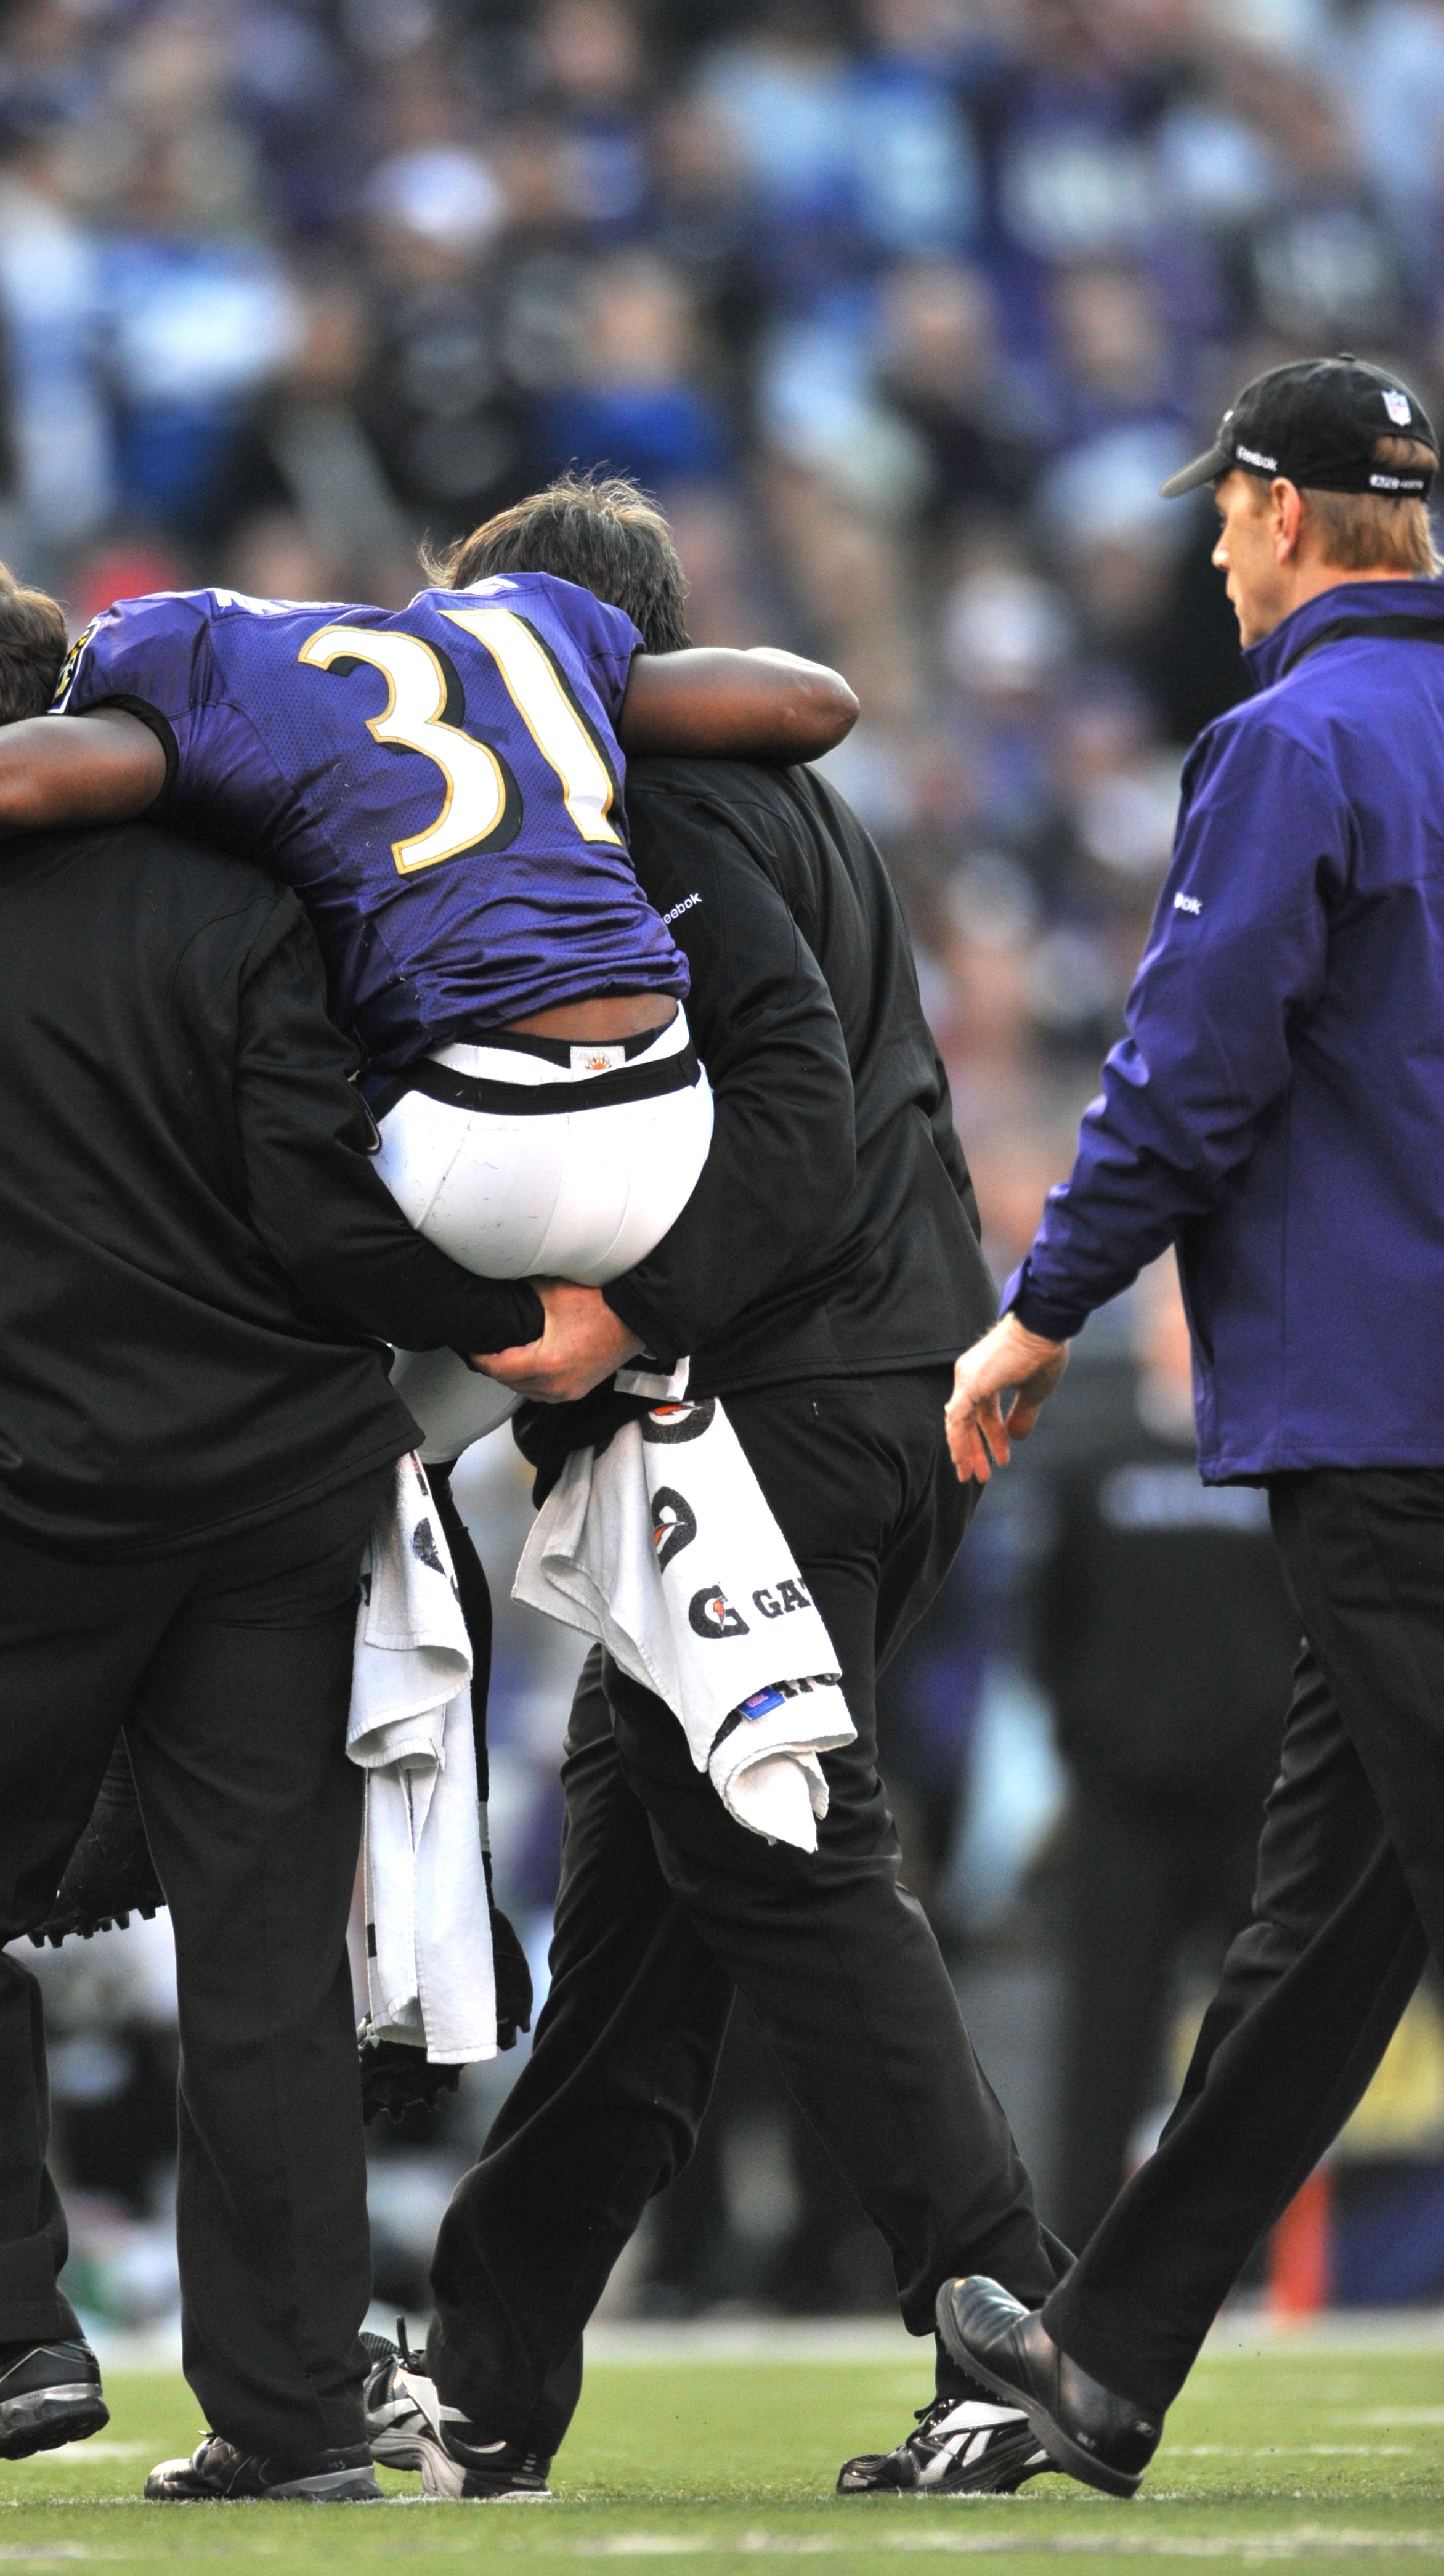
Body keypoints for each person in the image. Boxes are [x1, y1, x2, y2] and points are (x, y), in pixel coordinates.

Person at [0, 559, 579, 2505]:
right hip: (269, 1491)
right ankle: (298, 2413)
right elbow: (319, 1215)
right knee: (260, 1953)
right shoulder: (240, 904)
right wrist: (504, 1324)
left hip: (13, 1494)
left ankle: (0, 2343)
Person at [357, 490, 1071, 2503]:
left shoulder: (645, 816)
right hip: (869, 1399)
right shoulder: (778, 797)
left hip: (767, 1412)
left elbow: (779, 1114)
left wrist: (616, 1322)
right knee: (644, 1916)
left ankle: (1010, 2304)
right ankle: (491, 2368)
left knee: (780, 1854)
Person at [935, 354, 1444, 2496]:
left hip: (1387, 1406)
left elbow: (1192, 1060)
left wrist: (1037, 1307)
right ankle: (1106, 2348)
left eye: (1224, 512)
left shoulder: (1294, 735)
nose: (1211, 549)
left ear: (1280, 504)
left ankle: (1099, 2343)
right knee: (1331, 1918)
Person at [0, 488, 858, 1461]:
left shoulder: (190, 663)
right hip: (671, 1131)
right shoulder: (519, 630)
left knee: (258, 1264)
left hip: (473, 1143)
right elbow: (815, 699)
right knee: (429, 1429)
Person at [1026, 1257, 1291, 2250]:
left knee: (1257, 2042)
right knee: (1104, 2044)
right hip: (1124, 1804)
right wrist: (1088, 1737)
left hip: (1260, 1804)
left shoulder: (1277, 1461)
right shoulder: (1094, 1465)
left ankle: (1245, 2252)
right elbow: (1048, 1623)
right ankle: (1076, 2257)